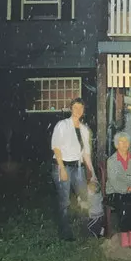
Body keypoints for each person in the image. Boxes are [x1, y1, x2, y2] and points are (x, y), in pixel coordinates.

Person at [51, 98, 95, 241]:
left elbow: (86, 154)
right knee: (65, 201)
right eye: (75, 107)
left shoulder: (84, 130)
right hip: (62, 165)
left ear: (83, 110)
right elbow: (56, 147)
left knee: (84, 198)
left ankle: (85, 230)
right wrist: (62, 168)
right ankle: (65, 232)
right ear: (71, 109)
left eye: (80, 108)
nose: (78, 110)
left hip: (78, 167)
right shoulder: (62, 125)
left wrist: (92, 173)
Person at [106, 131, 131, 248]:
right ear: (116, 144)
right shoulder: (111, 161)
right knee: (125, 203)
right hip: (115, 191)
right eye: (121, 141)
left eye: (126, 141)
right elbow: (114, 182)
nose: (124, 144)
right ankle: (124, 233)